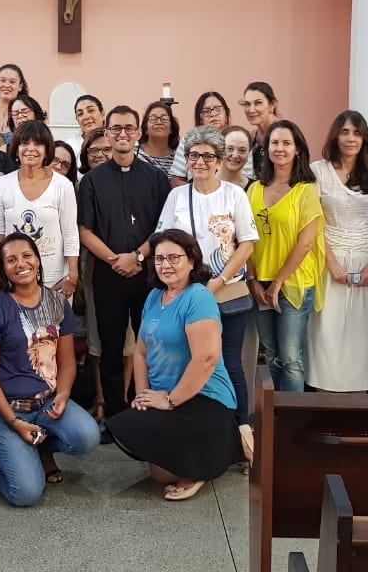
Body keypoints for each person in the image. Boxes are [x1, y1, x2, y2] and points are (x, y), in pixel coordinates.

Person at [105, 229, 244, 501]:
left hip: (204, 397)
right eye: (159, 259)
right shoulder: (154, 297)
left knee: (161, 471)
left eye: (173, 258)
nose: (165, 265)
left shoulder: (198, 297)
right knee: (150, 460)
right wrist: (143, 397)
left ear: (191, 261)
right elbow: (140, 352)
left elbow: (206, 358)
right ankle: (224, 447)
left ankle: (206, 463)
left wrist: (170, 401)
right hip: (164, 397)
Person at [0, 233, 100, 505]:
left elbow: (67, 362)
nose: (21, 264)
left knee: (88, 436)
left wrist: (63, 394)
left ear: (38, 260)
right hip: (8, 408)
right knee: (26, 494)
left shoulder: (57, 302)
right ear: (3, 268)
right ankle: (0, 448)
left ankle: (36, 449)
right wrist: (14, 422)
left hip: (46, 403)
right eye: (11, 260)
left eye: (27, 256)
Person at [156, 127, 257, 445]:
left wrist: (220, 280)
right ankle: (200, 432)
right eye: (193, 155)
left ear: (219, 160)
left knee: (229, 362)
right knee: (193, 362)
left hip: (227, 291)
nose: (199, 162)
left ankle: (242, 431)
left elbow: (247, 244)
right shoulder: (176, 196)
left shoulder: (234, 195)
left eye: (207, 156)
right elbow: (163, 239)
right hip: (187, 294)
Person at [78, 105, 170, 436]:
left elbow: (163, 226)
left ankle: (149, 412)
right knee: (111, 351)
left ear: (138, 133)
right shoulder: (92, 181)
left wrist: (137, 256)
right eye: (115, 128)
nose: (122, 134)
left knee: (151, 345)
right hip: (108, 276)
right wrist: (116, 260)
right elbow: (84, 230)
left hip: (148, 276)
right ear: (107, 132)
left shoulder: (156, 179)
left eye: (129, 128)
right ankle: (116, 419)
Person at [308, 111, 368, 392]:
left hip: (366, 258)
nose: (350, 138)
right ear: (335, 135)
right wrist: (331, 262)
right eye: (345, 132)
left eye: (357, 133)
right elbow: (313, 222)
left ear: (365, 138)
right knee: (326, 334)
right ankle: (323, 401)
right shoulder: (317, 170)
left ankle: (361, 403)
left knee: (363, 336)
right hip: (327, 257)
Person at [246, 120, 325, 392]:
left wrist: (278, 282)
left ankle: (292, 416)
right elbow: (245, 237)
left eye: (286, 143)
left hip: (292, 283)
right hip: (260, 281)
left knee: (291, 359)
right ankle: (273, 414)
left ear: (297, 149)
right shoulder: (255, 189)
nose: (279, 148)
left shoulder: (306, 190)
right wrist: (253, 279)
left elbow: (306, 243)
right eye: (274, 143)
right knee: (271, 355)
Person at [0, 120, 79, 299]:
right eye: (24, 143)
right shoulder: (1, 185)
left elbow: (70, 233)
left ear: (47, 150)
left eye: (37, 144)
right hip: (14, 277)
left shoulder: (63, 186)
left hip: (54, 279)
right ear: (16, 149)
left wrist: (73, 274)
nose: (30, 149)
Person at [168, 91, 253, 186]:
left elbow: (248, 178)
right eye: (206, 111)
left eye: (218, 109)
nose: (213, 114)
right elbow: (176, 180)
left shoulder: (239, 139)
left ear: (226, 113)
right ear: (199, 118)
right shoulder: (188, 140)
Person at [0, 93, 47, 178]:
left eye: (25, 111)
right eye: (15, 113)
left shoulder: (48, 146)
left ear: (36, 113)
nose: (20, 116)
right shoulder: (5, 150)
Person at [240, 82, 279, 177]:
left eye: (258, 103)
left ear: (272, 105)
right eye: (247, 104)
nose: (251, 110)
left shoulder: (284, 133)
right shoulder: (253, 136)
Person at [137, 101, 180, 176]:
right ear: (146, 128)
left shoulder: (180, 155)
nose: (159, 122)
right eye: (153, 118)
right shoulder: (134, 154)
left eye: (164, 119)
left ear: (171, 128)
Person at [0, 63, 29, 136]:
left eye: (12, 82)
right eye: (3, 80)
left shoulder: (28, 113)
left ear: (20, 86)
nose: (6, 85)